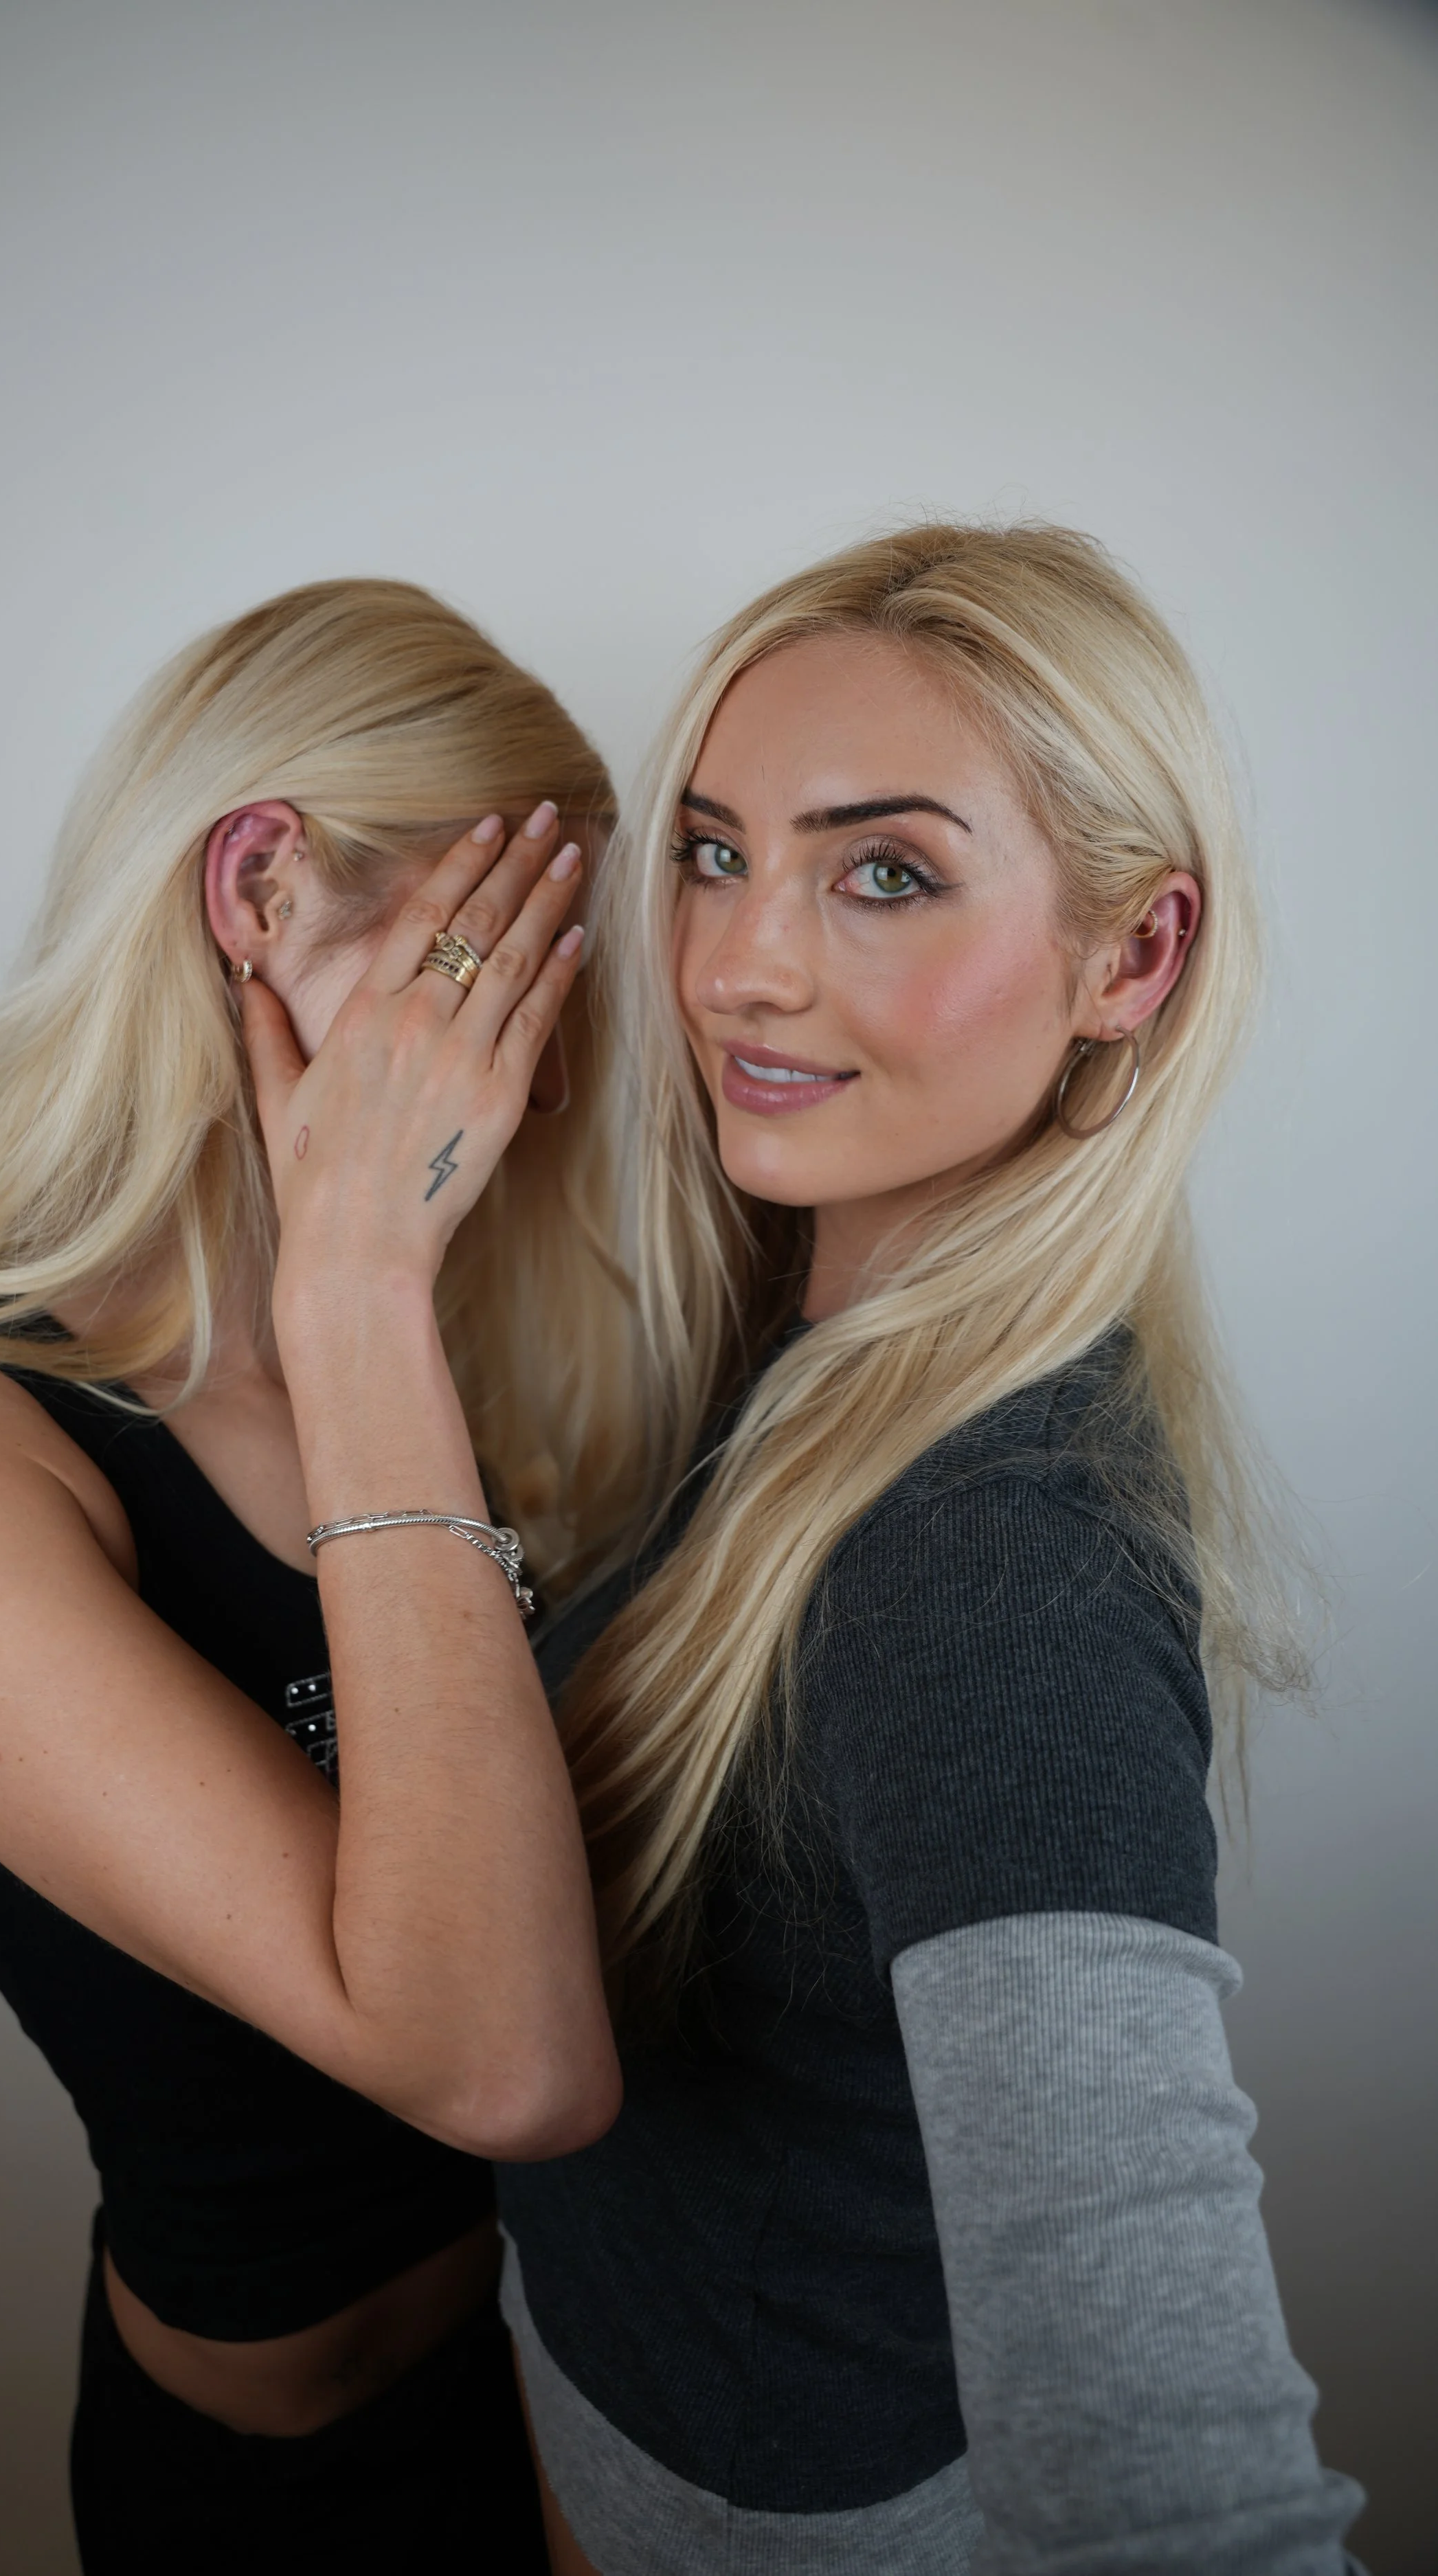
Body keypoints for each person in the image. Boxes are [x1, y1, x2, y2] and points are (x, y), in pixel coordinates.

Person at [0, 578, 634, 2573]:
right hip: (276, 2500)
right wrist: (358, 1291)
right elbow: (505, 2062)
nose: (544, 1075)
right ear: (259, 888)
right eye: (499, 971)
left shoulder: (477, 1350)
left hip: (594, 2418)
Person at [497, 524, 1368, 2573]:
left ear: (1128, 960)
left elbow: (1180, 2505)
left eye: (881, 871)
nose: (735, 964)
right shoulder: (816, 1340)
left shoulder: (996, 1566)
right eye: (715, 851)